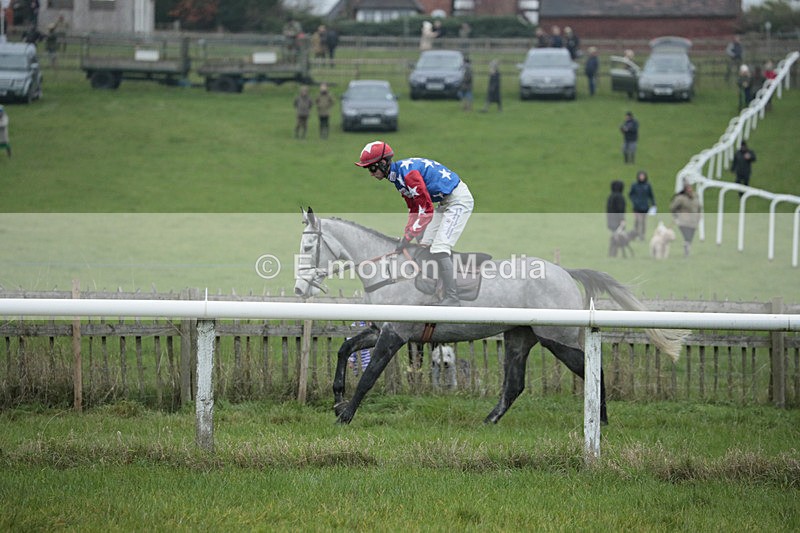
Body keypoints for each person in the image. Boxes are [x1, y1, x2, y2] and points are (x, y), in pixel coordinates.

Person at [354, 141, 474, 306]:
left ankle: (453, 298)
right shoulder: (397, 177)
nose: (371, 173)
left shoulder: (408, 176)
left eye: (372, 168)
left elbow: (426, 210)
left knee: (440, 248)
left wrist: (409, 235)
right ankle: (435, 287)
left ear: (383, 163)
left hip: (457, 201)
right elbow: (414, 209)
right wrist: (407, 235)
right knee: (424, 244)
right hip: (444, 203)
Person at [669, 182, 702, 257]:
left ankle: (687, 248)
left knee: (690, 237)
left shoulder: (695, 197)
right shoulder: (680, 198)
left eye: (691, 188)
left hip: (694, 221)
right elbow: (673, 207)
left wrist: (699, 216)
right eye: (688, 188)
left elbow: (699, 207)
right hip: (683, 221)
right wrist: (676, 216)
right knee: (687, 236)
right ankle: (686, 251)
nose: (690, 190)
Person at [628, 170, 656, 241]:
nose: (641, 177)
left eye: (643, 176)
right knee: (637, 221)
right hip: (637, 207)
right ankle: (635, 235)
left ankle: (642, 235)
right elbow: (631, 194)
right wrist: (634, 201)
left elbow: (651, 195)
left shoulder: (647, 185)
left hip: (645, 206)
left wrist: (653, 204)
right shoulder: (635, 185)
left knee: (643, 222)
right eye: (640, 176)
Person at [606, 180, 626, 256]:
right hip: (617, 220)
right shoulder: (620, 197)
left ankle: (612, 253)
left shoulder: (610, 197)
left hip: (611, 220)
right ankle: (614, 253)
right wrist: (622, 219)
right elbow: (620, 209)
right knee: (617, 237)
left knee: (614, 237)